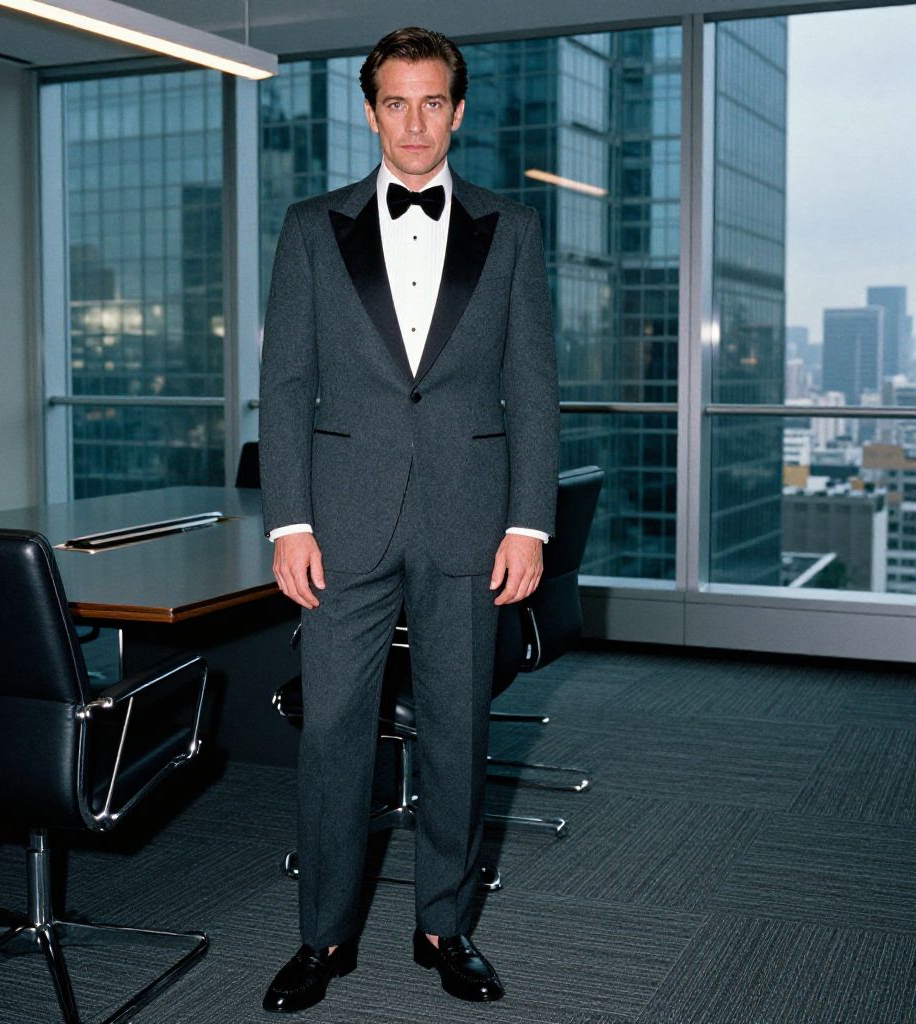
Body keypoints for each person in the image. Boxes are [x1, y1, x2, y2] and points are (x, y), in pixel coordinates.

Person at [258, 25, 559, 1013]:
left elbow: (532, 386)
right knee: (334, 729)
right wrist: (287, 520)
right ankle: (323, 936)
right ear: (370, 109)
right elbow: (287, 381)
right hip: (341, 521)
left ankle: (445, 923)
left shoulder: (511, 228)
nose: (415, 121)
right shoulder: (312, 225)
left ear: (458, 110)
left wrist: (529, 522)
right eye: (396, 101)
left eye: (433, 101)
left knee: (457, 728)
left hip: (471, 521)